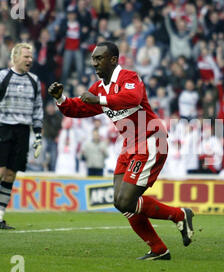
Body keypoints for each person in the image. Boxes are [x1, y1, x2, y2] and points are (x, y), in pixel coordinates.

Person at [48, 41, 194, 260]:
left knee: (126, 201)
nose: (94, 63)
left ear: (113, 60)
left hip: (151, 140)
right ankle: (158, 249)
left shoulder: (129, 77)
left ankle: (178, 214)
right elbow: (77, 108)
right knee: (120, 202)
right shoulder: (99, 87)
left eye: (99, 58)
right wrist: (60, 98)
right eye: (93, 59)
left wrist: (99, 100)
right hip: (130, 146)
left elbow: (132, 98)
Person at [0, 43, 44, 230]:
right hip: (3, 129)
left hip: (22, 132)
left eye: (31, 57)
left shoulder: (34, 80)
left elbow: (38, 110)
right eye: (26, 56)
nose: (30, 60)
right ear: (15, 57)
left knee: (11, 174)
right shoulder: (0, 77)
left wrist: (37, 136)